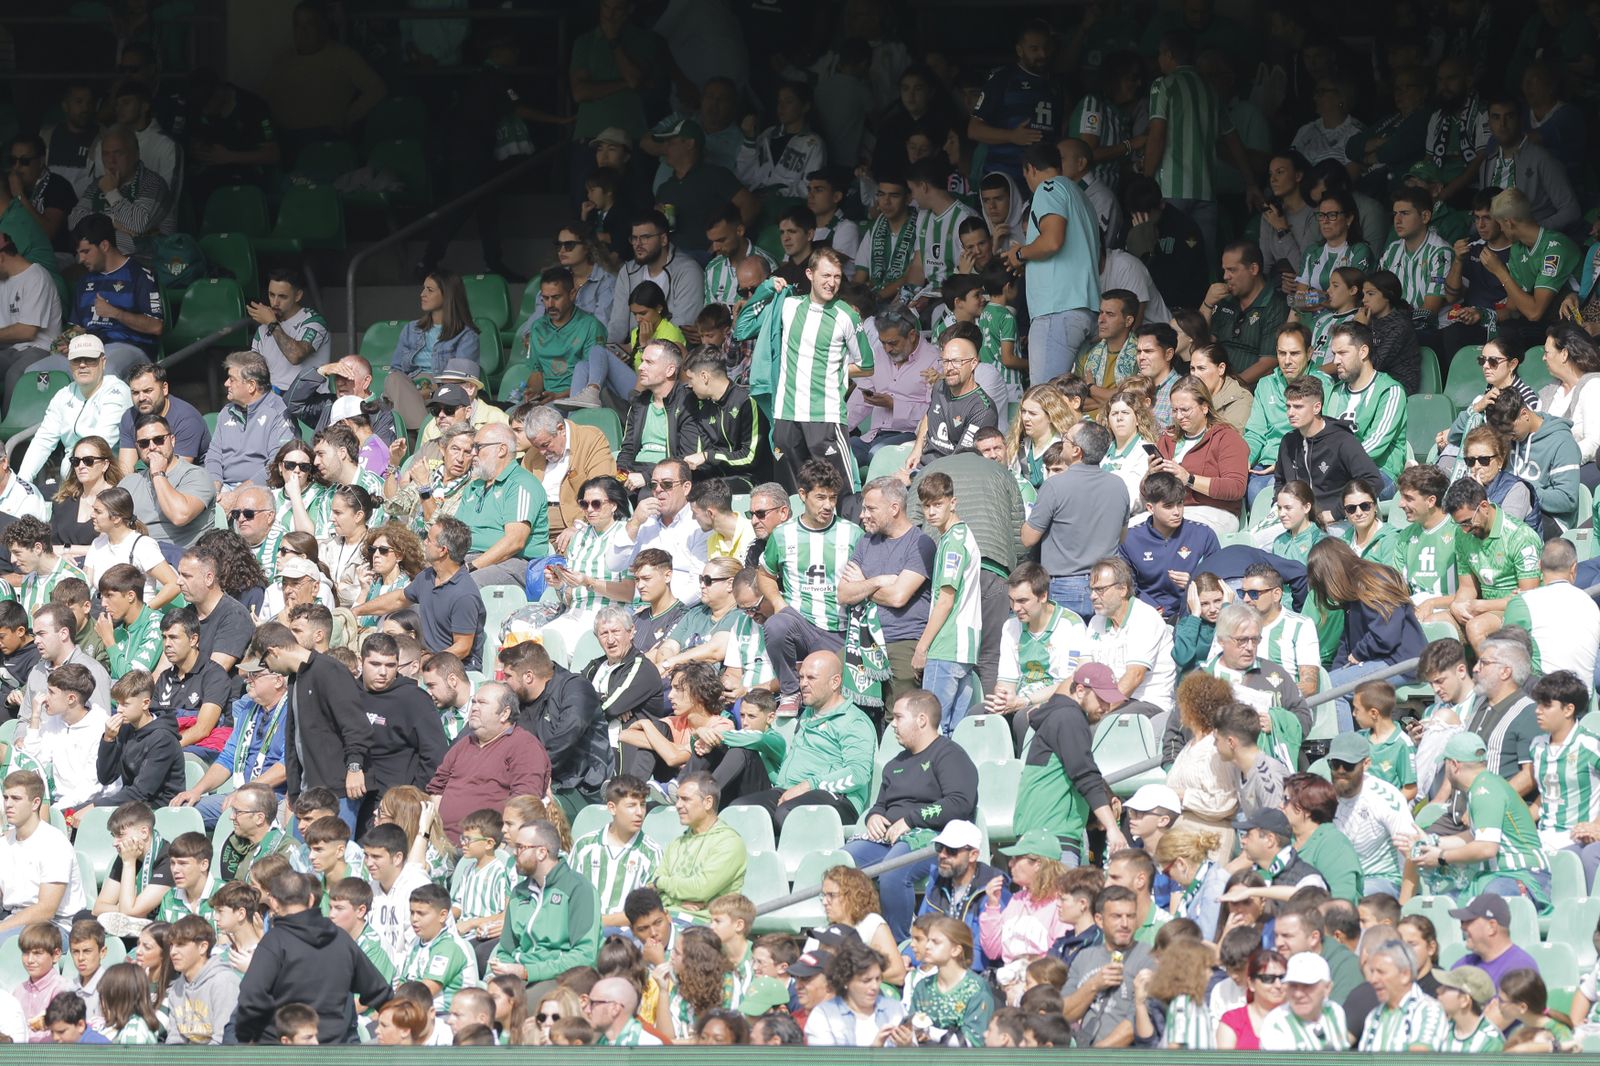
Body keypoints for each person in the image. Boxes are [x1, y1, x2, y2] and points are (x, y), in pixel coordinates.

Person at [844, 690, 977, 940]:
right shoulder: (895, 764)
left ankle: (899, 945)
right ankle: (852, 941)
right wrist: (874, 816)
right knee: (841, 866)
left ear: (921, 720)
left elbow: (959, 802)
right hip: (888, 839)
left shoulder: (949, 755)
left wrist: (910, 820)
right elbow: (881, 805)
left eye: (898, 717)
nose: (892, 724)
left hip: (935, 837)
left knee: (893, 871)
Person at [230, 869, 393, 1044]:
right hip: (334, 1049)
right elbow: (380, 993)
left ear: (274, 903)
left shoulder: (274, 942)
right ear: (311, 900)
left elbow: (250, 999)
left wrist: (248, 1041)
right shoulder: (341, 939)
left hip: (283, 1050)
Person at [1415, 732, 1550, 907]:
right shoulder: (1484, 785)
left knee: (1482, 904)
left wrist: (1442, 857)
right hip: (1502, 877)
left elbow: (1487, 848)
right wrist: (1431, 841)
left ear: (1454, 765)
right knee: (1443, 906)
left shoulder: (1484, 791)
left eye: (1445, 763)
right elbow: (1474, 837)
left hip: (1523, 876)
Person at [1005, 142, 1100, 385]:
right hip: (1086, 309)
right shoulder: (1080, 196)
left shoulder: (1048, 188)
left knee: (1044, 398)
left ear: (1030, 169)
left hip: (1057, 310)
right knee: (1072, 398)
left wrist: (1019, 254)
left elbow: (1051, 241)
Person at [1022, 420, 1131, 618]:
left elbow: (1028, 538)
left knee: (1067, 638)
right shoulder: (1119, 485)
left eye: (1066, 439)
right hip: (1108, 585)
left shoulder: (1054, 486)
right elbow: (1122, 537)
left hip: (1065, 585)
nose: (1062, 441)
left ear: (1076, 451)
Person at [171, 659, 289, 830]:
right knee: (181, 812)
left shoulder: (293, 711)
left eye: (255, 675)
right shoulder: (249, 709)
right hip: (241, 793)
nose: (248, 680)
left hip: (273, 797)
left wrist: (246, 791)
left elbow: (287, 766)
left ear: (278, 680)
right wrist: (196, 791)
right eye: (248, 675)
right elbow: (227, 758)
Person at [498, 640, 608, 820]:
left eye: (508, 676)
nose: (504, 682)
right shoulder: (519, 699)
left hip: (580, 788)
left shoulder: (575, 687)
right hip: (538, 780)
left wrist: (533, 773)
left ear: (528, 677)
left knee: (522, 814)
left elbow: (567, 736)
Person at [491, 818, 600, 985]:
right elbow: (505, 950)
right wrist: (498, 975)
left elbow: (585, 955)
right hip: (518, 977)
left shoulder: (578, 889)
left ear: (542, 852)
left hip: (558, 978)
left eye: (520, 847)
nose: (514, 853)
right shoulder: (518, 892)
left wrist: (528, 972)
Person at [1444, 475, 1543, 651]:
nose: (1465, 529)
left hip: (1515, 609)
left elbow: (1529, 597)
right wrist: (1458, 606)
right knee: (1436, 623)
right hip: (1482, 607)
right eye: (1460, 524)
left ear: (1484, 507)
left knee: (1476, 628)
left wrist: (1484, 606)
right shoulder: (1462, 534)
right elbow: (1467, 587)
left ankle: (1492, 669)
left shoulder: (1521, 536)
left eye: (1467, 522)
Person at [1062, 886, 1158, 1048]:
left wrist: (1094, 1055)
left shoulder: (1148, 958)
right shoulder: (1084, 957)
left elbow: (1134, 1025)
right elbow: (1064, 1014)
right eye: (1116, 916)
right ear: (1099, 920)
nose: (1125, 924)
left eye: (1130, 916)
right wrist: (1093, 985)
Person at [1329, 733, 1421, 899]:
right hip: (1339, 879)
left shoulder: (1386, 798)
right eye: (1335, 764)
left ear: (1366, 764)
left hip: (1381, 880)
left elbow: (1412, 854)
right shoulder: (1324, 796)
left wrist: (1404, 906)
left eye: (1348, 765)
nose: (1340, 771)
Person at [1119, 472, 1220, 621]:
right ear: (1150, 508)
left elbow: (1218, 582)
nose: (1176, 512)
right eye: (1168, 506)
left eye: (1180, 503)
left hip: (1193, 614)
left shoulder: (1203, 534)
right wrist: (1150, 608)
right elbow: (1126, 586)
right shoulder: (1130, 539)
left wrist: (1194, 584)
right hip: (1145, 616)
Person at [0, 770, 88, 940]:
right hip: (14, 920)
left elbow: (46, 910)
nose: (8, 804)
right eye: (5, 798)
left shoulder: (54, 843)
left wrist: (2, 927)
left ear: (35, 804)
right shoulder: (4, 843)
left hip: (55, 927)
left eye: (16, 798)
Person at [1083, 556, 1175, 710]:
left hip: (1147, 701)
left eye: (1100, 590)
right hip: (1109, 698)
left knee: (1102, 723)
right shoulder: (1095, 621)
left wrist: (1099, 711)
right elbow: (1082, 671)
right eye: (1091, 589)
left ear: (1122, 589)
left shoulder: (1144, 617)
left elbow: (1134, 677)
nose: (1092, 596)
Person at [1486, 389, 1581, 536]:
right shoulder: (1508, 437)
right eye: (1503, 434)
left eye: (1511, 431)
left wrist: (1527, 489)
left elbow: (1568, 500)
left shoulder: (1562, 443)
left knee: (1503, 535)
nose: (1508, 438)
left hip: (1551, 519)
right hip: (1510, 509)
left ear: (1524, 414)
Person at [1200, 241, 1290, 385]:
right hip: (1214, 382)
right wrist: (1207, 305)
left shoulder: (1276, 305)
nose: (1225, 276)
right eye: (1224, 270)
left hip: (1251, 389)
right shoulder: (1225, 300)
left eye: (1232, 270)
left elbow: (1268, 363)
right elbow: (1200, 344)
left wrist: (1230, 388)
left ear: (1253, 269)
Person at [803, 937, 904, 1045]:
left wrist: (908, 1045)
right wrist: (873, 1051)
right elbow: (823, 1056)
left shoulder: (894, 1009)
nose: (874, 986)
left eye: (878, 979)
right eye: (866, 981)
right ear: (846, 981)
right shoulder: (824, 1015)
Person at [1257, 951, 1349, 1050]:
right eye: (1293, 985)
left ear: (1327, 988)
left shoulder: (1335, 1012)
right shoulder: (1277, 1025)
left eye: (1307, 986)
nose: (1298, 994)